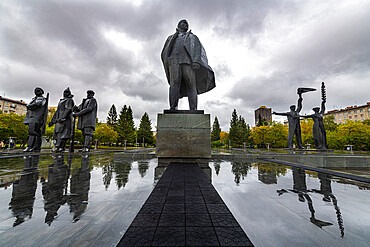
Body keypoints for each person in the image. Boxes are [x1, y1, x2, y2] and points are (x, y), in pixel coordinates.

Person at [161, 19, 215, 110]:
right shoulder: (170, 38)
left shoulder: (193, 37)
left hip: (188, 63)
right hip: (174, 62)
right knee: (174, 84)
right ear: (178, 25)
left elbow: (197, 50)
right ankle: (173, 107)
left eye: (187, 23)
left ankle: (193, 108)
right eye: (184, 23)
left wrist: (196, 61)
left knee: (191, 84)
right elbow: (165, 52)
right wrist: (168, 60)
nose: (186, 24)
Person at [49, 88, 75, 152]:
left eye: (66, 92)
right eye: (64, 92)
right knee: (58, 133)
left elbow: (68, 109)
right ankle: (60, 147)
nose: (64, 94)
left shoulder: (69, 100)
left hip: (65, 120)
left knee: (61, 133)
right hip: (59, 119)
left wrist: (63, 118)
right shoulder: (61, 100)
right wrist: (52, 121)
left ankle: (59, 147)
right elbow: (57, 111)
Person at [23, 87, 48, 152]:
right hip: (32, 117)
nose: (36, 92)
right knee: (37, 133)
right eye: (35, 91)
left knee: (32, 132)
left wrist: (29, 106)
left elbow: (37, 104)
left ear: (42, 92)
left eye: (38, 90)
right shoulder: (34, 99)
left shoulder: (41, 99)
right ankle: (36, 147)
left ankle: (30, 146)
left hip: (36, 118)